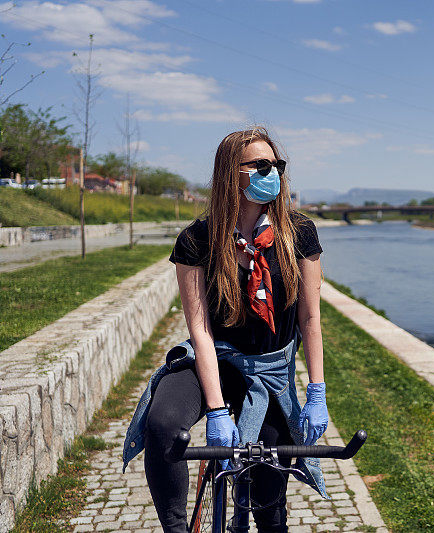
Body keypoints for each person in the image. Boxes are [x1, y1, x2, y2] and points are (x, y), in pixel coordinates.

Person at [121, 127, 329, 532]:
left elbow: (310, 319)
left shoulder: (300, 233)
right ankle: (177, 528)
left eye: (278, 166)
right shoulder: (197, 240)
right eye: (262, 165)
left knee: (269, 482)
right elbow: (199, 328)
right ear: (230, 173)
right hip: (214, 359)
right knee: (163, 424)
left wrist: (316, 392)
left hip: (270, 373)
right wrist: (216, 411)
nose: (274, 173)